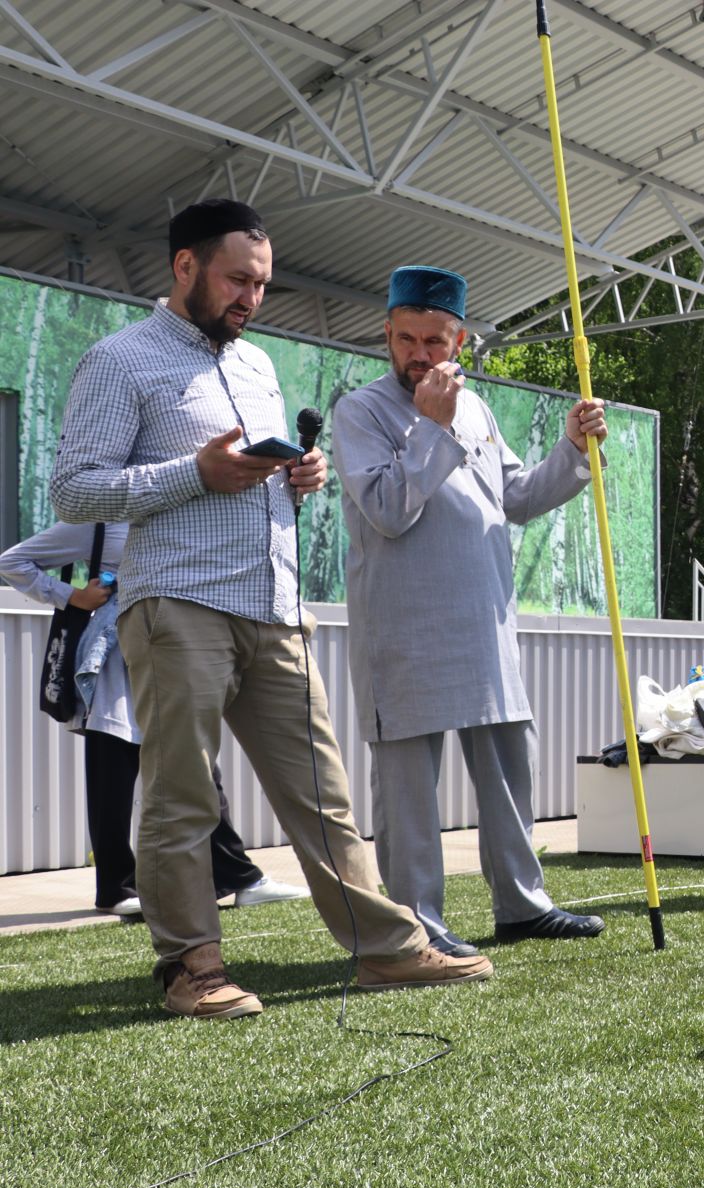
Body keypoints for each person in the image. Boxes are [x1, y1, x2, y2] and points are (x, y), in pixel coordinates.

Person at [49, 198, 488, 1019]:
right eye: (238, 279)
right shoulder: (119, 360)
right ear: (185, 267)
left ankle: (386, 950)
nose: (252, 298)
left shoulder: (257, 366)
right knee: (184, 795)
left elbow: (247, 474)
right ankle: (192, 966)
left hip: (274, 607)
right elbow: (73, 487)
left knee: (324, 796)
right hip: (176, 603)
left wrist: (299, 481)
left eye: (262, 284)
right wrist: (193, 474)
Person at [333, 266, 608, 956]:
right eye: (404, 339)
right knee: (409, 791)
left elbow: (512, 497)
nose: (418, 355)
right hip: (404, 630)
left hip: (485, 624)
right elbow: (389, 511)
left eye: (433, 341)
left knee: (511, 767)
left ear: (461, 341)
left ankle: (522, 903)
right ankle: (417, 923)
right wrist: (430, 425)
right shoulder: (360, 412)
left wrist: (571, 450)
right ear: (386, 336)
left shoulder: (478, 408)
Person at [2, 521, 309, 915]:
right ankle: (117, 888)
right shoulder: (99, 522)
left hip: (172, 655)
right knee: (113, 780)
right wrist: (73, 596)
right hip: (114, 671)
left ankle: (237, 876)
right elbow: (13, 562)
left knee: (196, 770)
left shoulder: (180, 515)